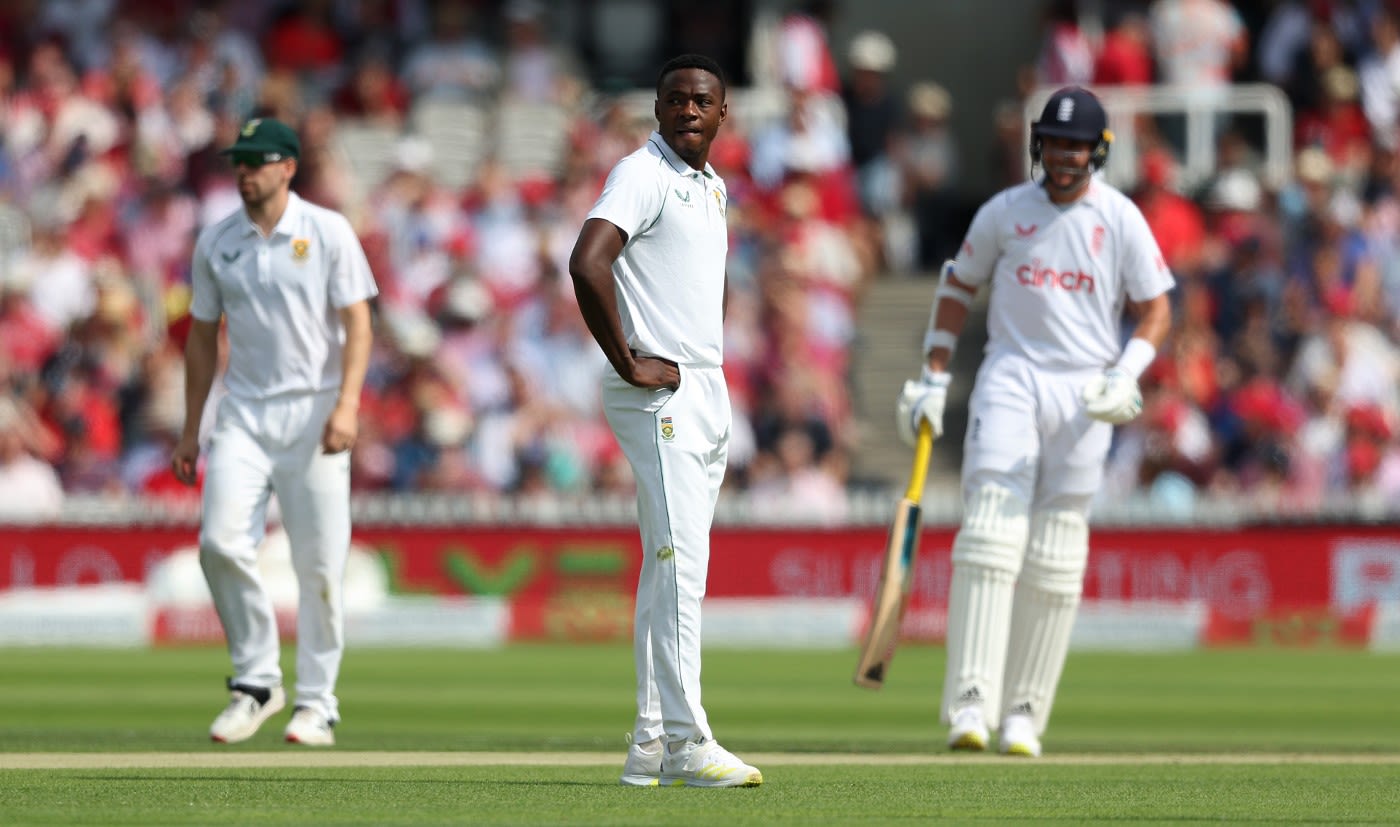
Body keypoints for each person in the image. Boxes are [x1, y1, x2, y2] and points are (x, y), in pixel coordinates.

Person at [895, 87, 1174, 757]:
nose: (1065, 154)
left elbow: (1157, 309)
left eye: (1077, 144)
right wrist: (934, 375)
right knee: (991, 527)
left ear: (1098, 150)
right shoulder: (1004, 211)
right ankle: (969, 703)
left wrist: (1126, 371)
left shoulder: (1121, 218)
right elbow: (958, 287)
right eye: (1054, 141)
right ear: (1037, 145)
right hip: (1013, 375)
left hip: (1086, 389)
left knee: (1056, 549)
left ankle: (1023, 713)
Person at [568, 54, 762, 788]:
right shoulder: (642, 172)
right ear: (656, 109)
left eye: (701, 100)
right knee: (682, 567)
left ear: (723, 114)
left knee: (667, 564)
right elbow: (588, 261)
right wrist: (626, 360)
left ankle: (650, 739)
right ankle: (688, 742)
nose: (687, 109)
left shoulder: (709, 185)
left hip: (701, 383)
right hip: (660, 387)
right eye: (674, 99)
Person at [172, 117, 378, 747]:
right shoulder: (217, 240)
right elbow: (203, 339)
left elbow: (359, 325)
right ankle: (257, 681)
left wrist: (347, 407)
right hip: (245, 413)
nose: (245, 172)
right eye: (239, 161)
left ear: (288, 167)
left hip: (315, 411)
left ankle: (317, 703)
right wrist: (190, 430)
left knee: (320, 563)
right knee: (218, 542)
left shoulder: (327, 231)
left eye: (258, 161)